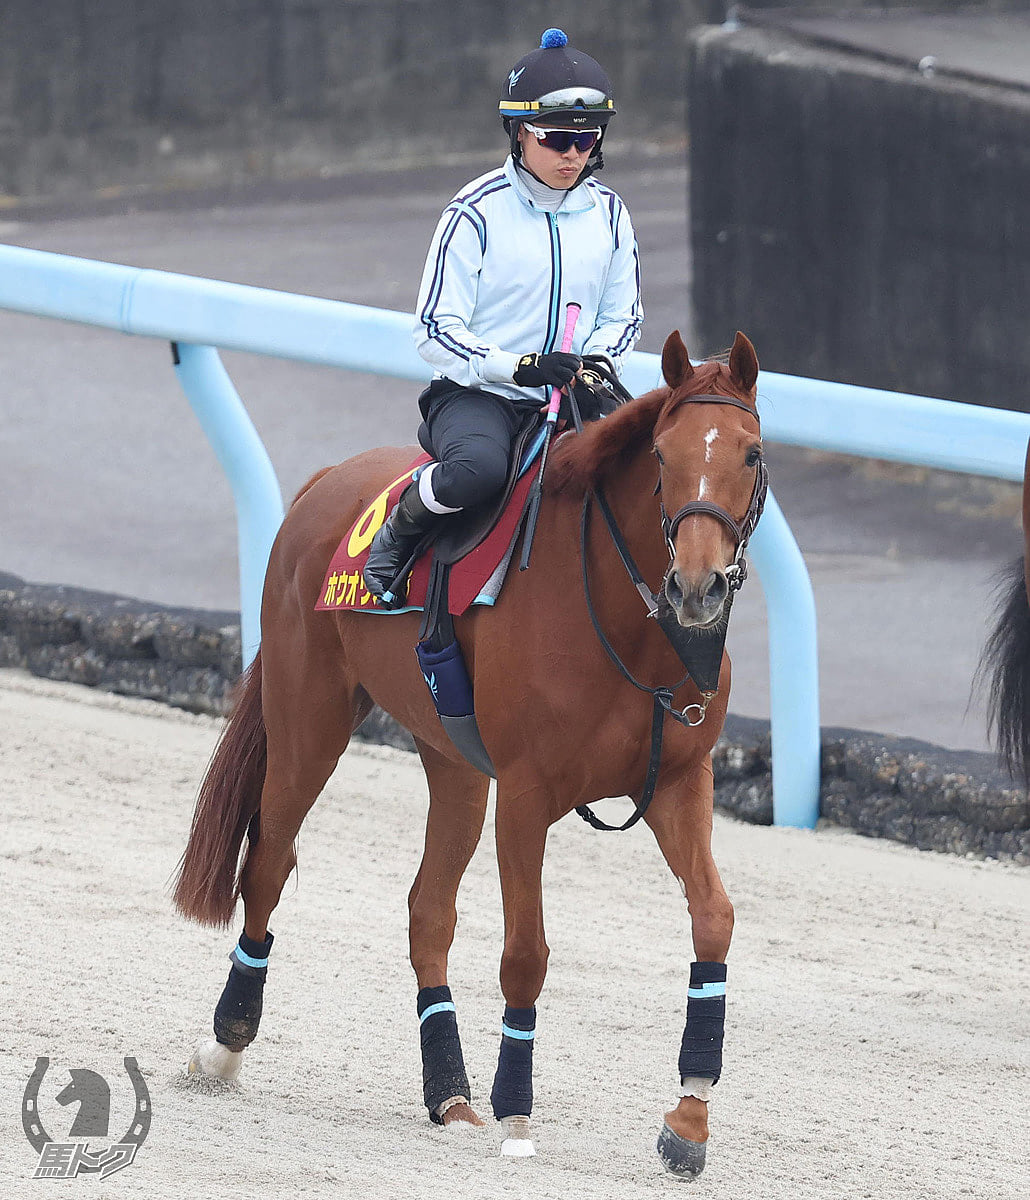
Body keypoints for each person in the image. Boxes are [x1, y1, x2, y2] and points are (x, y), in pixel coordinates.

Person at [363, 27, 643, 604]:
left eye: (586, 140)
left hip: (576, 389)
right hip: (478, 395)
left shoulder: (611, 214)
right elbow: (435, 330)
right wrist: (518, 368)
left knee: (644, 473)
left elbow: (626, 315)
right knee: (481, 472)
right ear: (519, 133)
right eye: (557, 140)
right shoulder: (474, 212)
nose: (573, 156)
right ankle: (405, 522)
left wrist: (593, 362)